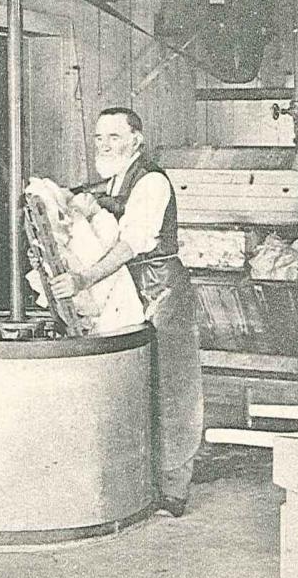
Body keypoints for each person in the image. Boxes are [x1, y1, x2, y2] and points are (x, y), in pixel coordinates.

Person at [50, 107, 204, 517]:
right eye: (99, 138)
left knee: (171, 386)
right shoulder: (115, 179)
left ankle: (173, 490)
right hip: (126, 289)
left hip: (158, 289)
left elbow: (130, 244)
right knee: (131, 386)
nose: (104, 145)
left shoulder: (151, 181)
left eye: (114, 137)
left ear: (137, 139)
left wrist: (83, 279)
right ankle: (139, 482)